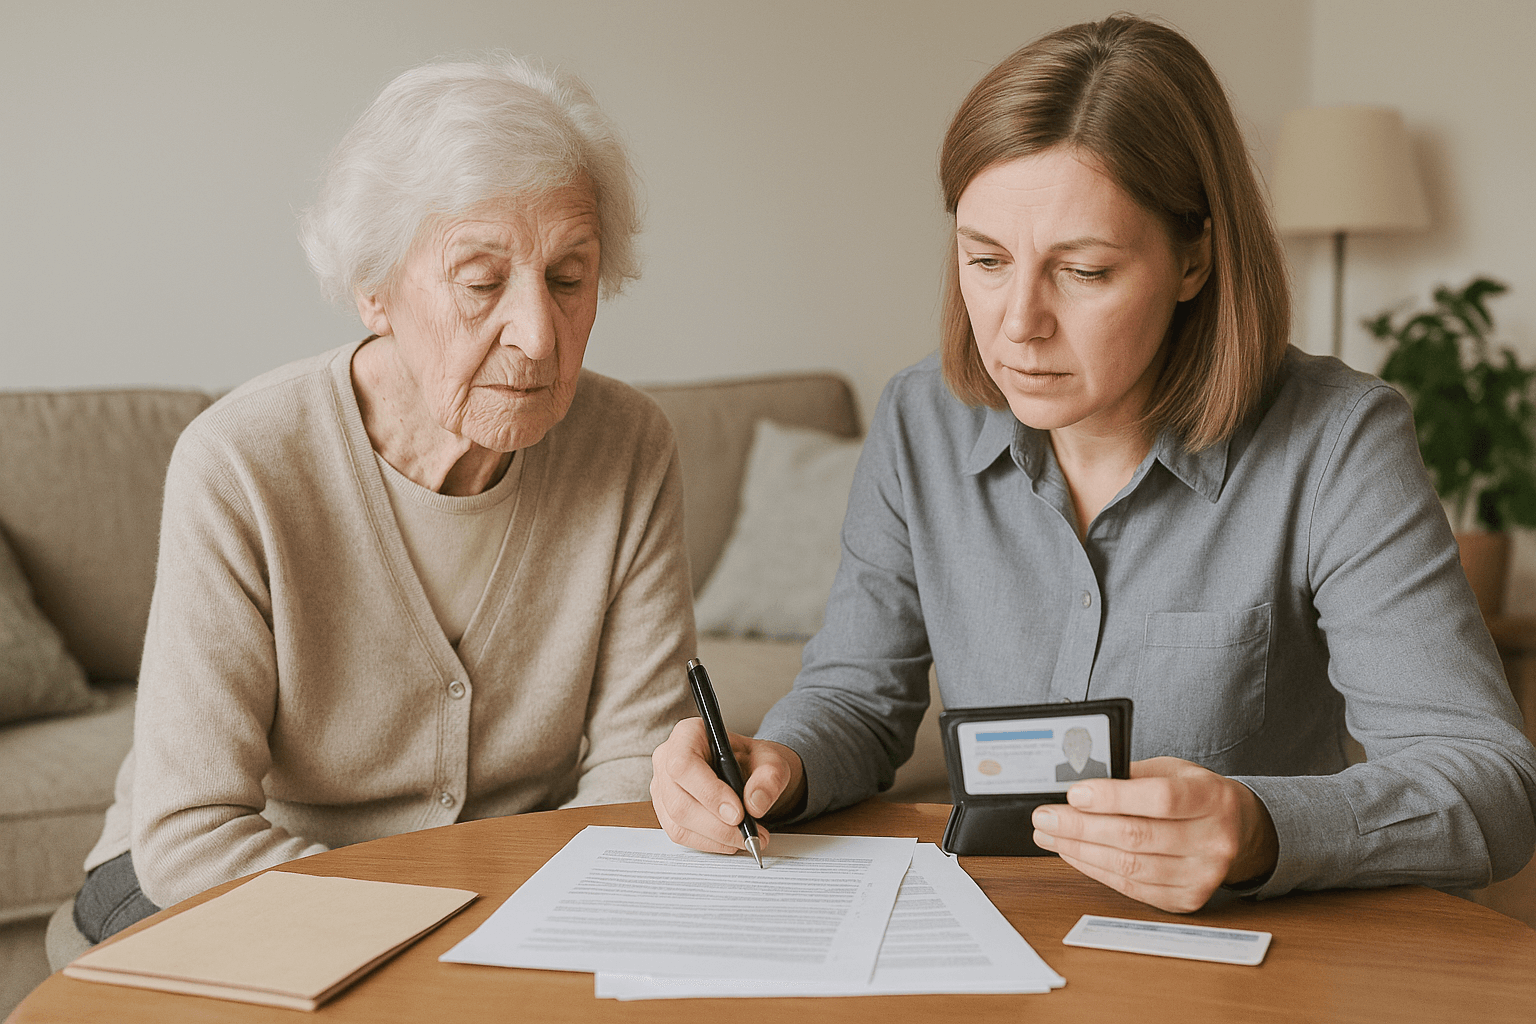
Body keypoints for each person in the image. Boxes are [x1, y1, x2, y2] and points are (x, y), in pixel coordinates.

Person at [652, 15, 1536, 913]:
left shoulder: (1338, 442)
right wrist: (777, 766)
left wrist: (1261, 827)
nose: (1018, 323)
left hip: (1247, 962)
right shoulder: (921, 418)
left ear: (1194, 257)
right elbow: (856, 698)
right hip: (991, 933)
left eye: (1084, 271)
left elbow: (1492, 788)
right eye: (986, 260)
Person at [74, 57, 695, 941]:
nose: (538, 334)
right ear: (375, 291)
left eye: (569, 278)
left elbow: (639, 763)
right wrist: (443, 920)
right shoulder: (241, 461)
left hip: (498, 886)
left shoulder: (630, 445)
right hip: (214, 874)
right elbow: (189, 833)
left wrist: (533, 910)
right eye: (482, 283)